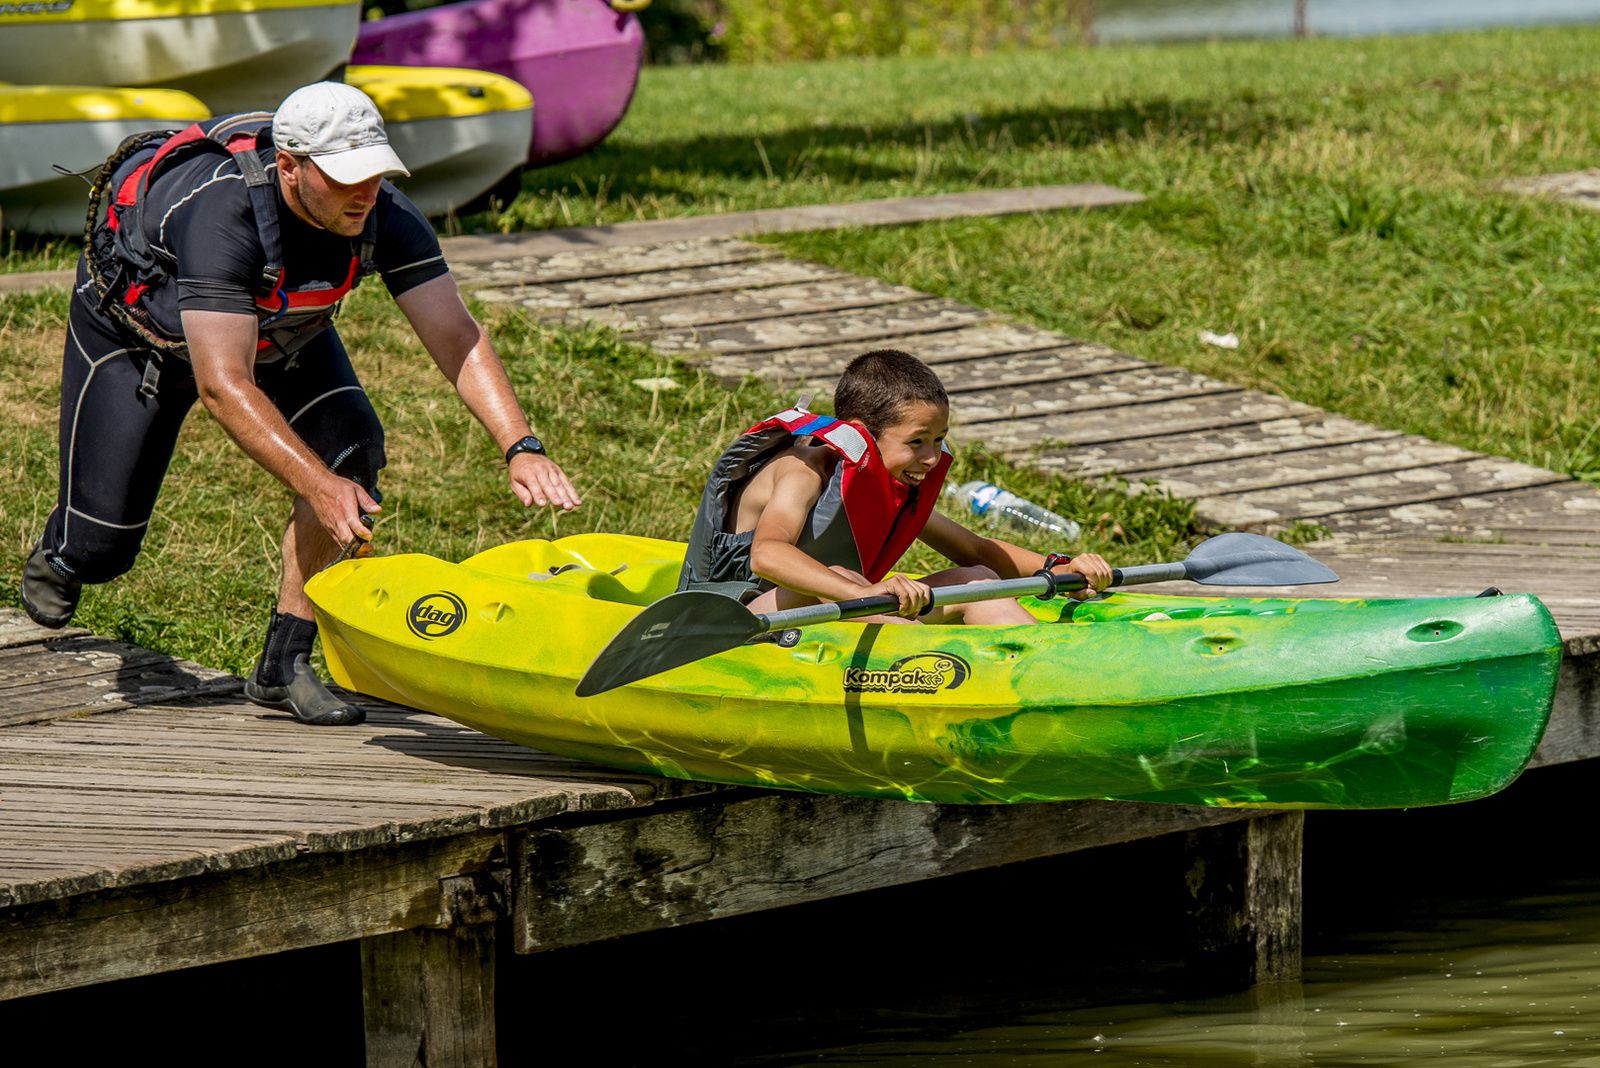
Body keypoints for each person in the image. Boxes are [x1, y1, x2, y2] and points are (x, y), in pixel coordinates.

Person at [19, 81, 580, 726]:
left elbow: (457, 335)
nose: (365, 192)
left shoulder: (385, 213)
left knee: (351, 453)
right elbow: (223, 385)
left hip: (280, 334)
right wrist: (315, 485)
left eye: (375, 173)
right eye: (346, 177)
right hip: (140, 340)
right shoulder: (223, 214)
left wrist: (520, 445)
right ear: (290, 167)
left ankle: (283, 665)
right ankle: (66, 549)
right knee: (100, 552)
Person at [677, 348, 1112, 622]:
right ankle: (928, 672)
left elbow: (976, 551)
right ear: (862, 434)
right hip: (729, 623)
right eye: (916, 442)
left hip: (846, 608)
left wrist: (1056, 568)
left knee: (976, 579)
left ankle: (1042, 668)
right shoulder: (801, 471)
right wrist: (861, 592)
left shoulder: (887, 487)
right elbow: (768, 554)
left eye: (939, 440)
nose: (932, 458)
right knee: (836, 575)